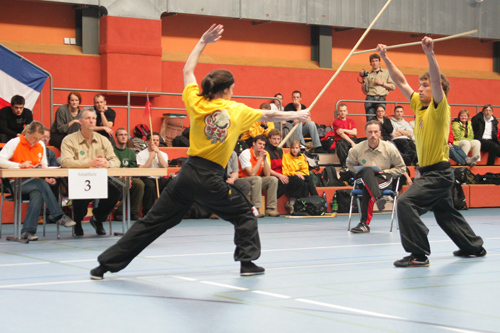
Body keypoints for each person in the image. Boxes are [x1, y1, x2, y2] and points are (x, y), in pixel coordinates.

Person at [90, 24, 310, 279]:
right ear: (226, 89)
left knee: (152, 223)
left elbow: (187, 69)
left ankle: (103, 265)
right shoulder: (236, 109)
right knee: (245, 215)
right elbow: (271, 113)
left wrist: (203, 40)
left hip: (187, 174)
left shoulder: (196, 101)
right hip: (210, 178)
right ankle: (247, 263)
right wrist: (298, 114)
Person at [377, 36, 486, 267]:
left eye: (425, 85)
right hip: (428, 174)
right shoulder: (419, 105)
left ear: (438, 91)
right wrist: (385, 58)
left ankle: (418, 255)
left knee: (405, 203)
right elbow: (401, 82)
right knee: (445, 213)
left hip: (438, 173)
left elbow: (436, 81)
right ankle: (473, 246)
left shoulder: (440, 107)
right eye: (421, 84)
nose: (421, 87)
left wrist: (430, 53)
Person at [0, 121, 76, 240]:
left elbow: (44, 165)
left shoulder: (40, 145)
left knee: (38, 193)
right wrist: (19, 165)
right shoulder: (14, 143)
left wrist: (43, 172)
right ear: (28, 132)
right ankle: (58, 215)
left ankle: (27, 232)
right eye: (35, 138)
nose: (37, 141)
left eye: (39, 138)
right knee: (40, 184)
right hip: (15, 183)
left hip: (34, 182)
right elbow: (0, 160)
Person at [60, 108, 122, 236]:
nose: (91, 121)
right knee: (81, 196)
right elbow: (65, 161)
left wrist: (108, 163)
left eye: (93, 118)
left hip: (98, 178)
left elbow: (116, 160)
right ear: (80, 121)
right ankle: (77, 221)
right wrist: (89, 163)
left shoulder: (103, 140)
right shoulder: (69, 139)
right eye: (88, 118)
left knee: (115, 192)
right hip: (78, 179)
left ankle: (97, 218)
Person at [346, 120, 405, 233]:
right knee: (367, 170)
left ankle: (364, 224)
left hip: (383, 178)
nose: (373, 135)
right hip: (363, 177)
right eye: (370, 132)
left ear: (379, 133)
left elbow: (401, 168)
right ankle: (379, 197)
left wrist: (386, 171)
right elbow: (349, 165)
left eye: (375, 132)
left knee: (367, 188)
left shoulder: (389, 148)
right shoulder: (357, 149)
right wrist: (358, 171)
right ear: (365, 133)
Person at [238, 135, 280, 217]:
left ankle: (271, 209)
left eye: (264, 145)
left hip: (256, 180)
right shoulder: (246, 153)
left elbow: (267, 174)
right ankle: (256, 209)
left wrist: (264, 159)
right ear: (254, 144)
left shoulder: (264, 154)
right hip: (242, 180)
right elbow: (251, 173)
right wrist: (260, 158)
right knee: (257, 179)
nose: (262, 146)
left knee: (273, 179)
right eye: (259, 144)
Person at [265, 129, 305, 214]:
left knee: (299, 180)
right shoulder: (267, 151)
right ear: (269, 139)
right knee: (283, 181)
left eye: (278, 139)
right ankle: (271, 205)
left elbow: (289, 162)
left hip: (283, 173)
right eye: (274, 139)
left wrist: (301, 156)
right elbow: (267, 169)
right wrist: (280, 176)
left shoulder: (281, 151)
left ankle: (291, 203)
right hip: (273, 175)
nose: (276, 141)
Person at [113, 128, 145, 221]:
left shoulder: (131, 152)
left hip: (128, 176)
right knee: (124, 183)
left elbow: (133, 168)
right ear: (116, 137)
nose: (123, 137)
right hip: (114, 177)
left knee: (139, 184)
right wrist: (122, 177)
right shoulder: (111, 150)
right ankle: (119, 212)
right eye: (121, 135)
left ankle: (134, 213)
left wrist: (129, 177)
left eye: (125, 135)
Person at [136, 132, 169, 216]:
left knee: (170, 183)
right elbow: (141, 170)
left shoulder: (163, 154)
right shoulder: (141, 154)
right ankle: (147, 213)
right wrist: (150, 158)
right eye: (153, 140)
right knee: (150, 186)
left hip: (159, 178)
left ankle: (167, 211)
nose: (155, 142)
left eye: (157, 140)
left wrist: (158, 153)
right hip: (147, 177)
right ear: (147, 141)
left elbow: (165, 166)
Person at [282, 140, 319, 209]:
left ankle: (304, 204)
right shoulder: (286, 157)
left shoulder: (302, 156)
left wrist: (300, 174)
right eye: (292, 148)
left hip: (301, 176)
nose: (294, 150)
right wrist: (296, 173)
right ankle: (316, 198)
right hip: (290, 176)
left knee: (305, 184)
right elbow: (285, 171)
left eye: (296, 148)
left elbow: (305, 170)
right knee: (308, 178)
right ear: (290, 148)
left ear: (299, 149)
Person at [360, 53, 395, 121]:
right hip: (370, 98)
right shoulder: (368, 74)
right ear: (370, 63)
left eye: (376, 61)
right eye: (372, 61)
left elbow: (393, 87)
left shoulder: (386, 72)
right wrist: (363, 78)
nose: (374, 63)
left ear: (380, 62)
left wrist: (381, 83)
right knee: (370, 120)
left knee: (380, 120)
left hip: (381, 98)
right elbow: (365, 91)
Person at [332, 103, 363, 168]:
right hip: (344, 140)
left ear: (347, 111)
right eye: (341, 111)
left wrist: (344, 130)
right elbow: (342, 134)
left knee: (366, 140)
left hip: (353, 139)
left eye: (344, 111)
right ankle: (345, 165)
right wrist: (352, 142)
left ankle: (367, 163)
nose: (342, 113)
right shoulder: (336, 122)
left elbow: (355, 133)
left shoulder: (351, 121)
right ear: (338, 112)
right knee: (341, 144)